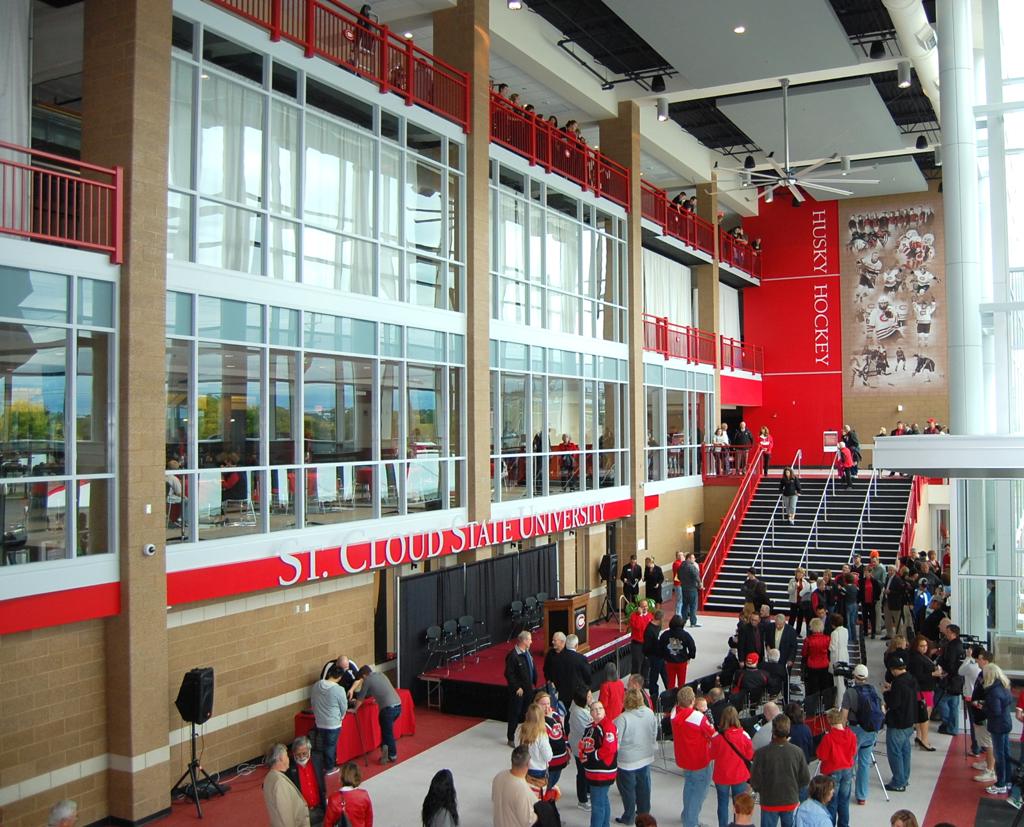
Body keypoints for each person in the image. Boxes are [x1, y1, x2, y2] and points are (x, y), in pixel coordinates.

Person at [749, 714, 810, 827]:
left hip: (769, 801)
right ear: (789, 730)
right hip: (790, 800)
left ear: (773, 730)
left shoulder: (761, 753)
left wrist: (762, 790)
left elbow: (755, 780)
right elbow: (805, 779)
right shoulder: (797, 752)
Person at [840, 664, 884, 805]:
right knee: (864, 764)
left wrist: (841, 731)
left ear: (854, 676)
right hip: (870, 731)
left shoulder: (850, 693)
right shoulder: (873, 690)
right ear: (866, 677)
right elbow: (882, 709)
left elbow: (844, 715)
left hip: (855, 731)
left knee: (849, 762)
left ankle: (845, 794)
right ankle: (862, 796)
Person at [672, 686, 715, 827]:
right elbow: (713, 733)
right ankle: (691, 822)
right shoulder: (697, 717)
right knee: (699, 792)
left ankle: (687, 816)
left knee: (689, 787)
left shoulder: (674, 713)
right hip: (700, 760)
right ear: (693, 701)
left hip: (684, 758)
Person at [614, 686, 658, 824]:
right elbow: (654, 733)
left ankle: (629, 817)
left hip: (627, 762)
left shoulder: (622, 719)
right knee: (644, 788)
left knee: (628, 791)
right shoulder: (649, 713)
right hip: (645, 757)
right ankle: (644, 815)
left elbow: (616, 742)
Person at [709, 705, 753, 827]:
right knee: (739, 805)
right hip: (739, 776)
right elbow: (749, 756)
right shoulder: (744, 735)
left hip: (721, 776)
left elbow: (711, 755)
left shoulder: (717, 737)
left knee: (722, 804)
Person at [579, 699, 619, 827]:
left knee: (597, 806)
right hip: (594, 772)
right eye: (594, 709)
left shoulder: (607, 726)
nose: (597, 711)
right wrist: (583, 753)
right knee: (602, 801)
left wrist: (592, 756)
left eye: (600, 708)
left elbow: (610, 748)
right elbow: (585, 744)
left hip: (602, 773)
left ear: (604, 710)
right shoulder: (591, 727)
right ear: (590, 712)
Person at [883, 655, 918, 792]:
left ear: (893, 670)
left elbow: (894, 703)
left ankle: (898, 782)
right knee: (905, 751)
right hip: (909, 721)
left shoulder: (898, 683)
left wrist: (886, 693)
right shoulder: (911, 679)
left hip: (898, 723)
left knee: (895, 752)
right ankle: (904, 778)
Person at [353, 664, 402, 764]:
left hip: (387, 710)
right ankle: (385, 755)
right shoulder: (381, 674)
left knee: (387, 734)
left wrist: (354, 709)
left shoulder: (367, 680)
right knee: (386, 732)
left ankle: (392, 755)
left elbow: (360, 698)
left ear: (364, 675)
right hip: (398, 706)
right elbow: (382, 690)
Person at [816, 708, 856, 827]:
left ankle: (830, 824)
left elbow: (821, 755)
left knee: (832, 802)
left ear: (830, 721)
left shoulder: (828, 738)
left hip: (832, 771)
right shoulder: (851, 735)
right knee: (844, 801)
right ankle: (844, 824)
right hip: (847, 770)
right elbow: (853, 752)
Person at [982, 661, 1014, 796]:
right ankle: (1008, 780)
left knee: (999, 755)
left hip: (998, 726)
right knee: (1006, 753)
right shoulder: (1005, 686)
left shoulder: (992, 692)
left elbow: (995, 711)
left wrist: (983, 707)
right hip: (1006, 722)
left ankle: (1000, 784)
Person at [263, 743, 311, 827]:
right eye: (287, 756)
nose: (289, 759)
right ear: (281, 758)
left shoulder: (269, 777)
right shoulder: (279, 783)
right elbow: (286, 816)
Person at [311, 665, 348, 771]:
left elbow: (313, 702)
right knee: (330, 746)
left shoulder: (316, 685)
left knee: (323, 745)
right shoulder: (339, 689)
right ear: (340, 677)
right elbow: (344, 706)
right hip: (333, 723)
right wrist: (341, 716)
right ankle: (330, 768)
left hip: (320, 722)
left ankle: (325, 766)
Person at [492, 745, 538, 827]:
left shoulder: (499, 776)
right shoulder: (523, 790)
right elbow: (528, 822)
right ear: (529, 763)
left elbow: (494, 799)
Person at [505, 631, 536, 746]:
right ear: (524, 641)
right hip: (519, 692)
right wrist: (517, 687)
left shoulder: (528, 652)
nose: (531, 641)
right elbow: (509, 674)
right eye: (530, 639)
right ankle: (510, 737)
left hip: (529, 689)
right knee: (515, 713)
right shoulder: (513, 656)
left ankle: (527, 736)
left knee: (527, 713)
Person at [907, 634, 938, 751]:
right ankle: (924, 739)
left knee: (922, 716)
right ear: (916, 646)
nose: (924, 648)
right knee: (925, 717)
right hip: (923, 690)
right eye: (921, 646)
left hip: (924, 689)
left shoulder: (921, 657)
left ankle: (920, 737)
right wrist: (933, 674)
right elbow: (918, 676)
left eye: (925, 646)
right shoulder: (917, 659)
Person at [286, 736, 325, 825]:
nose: (301, 757)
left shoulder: (318, 759)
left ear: (309, 750)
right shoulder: (289, 768)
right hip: (304, 813)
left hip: (321, 807)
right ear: (293, 753)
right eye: (298, 754)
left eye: (304, 753)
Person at [934, 623, 965, 735]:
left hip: (950, 679)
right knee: (954, 705)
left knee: (940, 700)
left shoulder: (951, 646)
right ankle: (953, 727)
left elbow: (950, 664)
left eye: (947, 632)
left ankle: (948, 723)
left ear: (952, 633)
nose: (945, 634)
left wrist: (943, 668)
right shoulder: (960, 645)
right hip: (958, 680)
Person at [515, 701, 553, 791]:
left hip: (522, 767)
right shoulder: (541, 735)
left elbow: (517, 747)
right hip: (538, 770)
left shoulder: (520, 729)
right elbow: (548, 757)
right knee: (537, 795)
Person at [323, 762, 372, 827]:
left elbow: (328, 823)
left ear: (341, 778)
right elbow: (369, 820)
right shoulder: (364, 795)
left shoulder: (334, 799)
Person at [568, 687, 593, 811]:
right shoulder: (577, 713)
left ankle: (588, 791)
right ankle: (582, 800)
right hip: (580, 747)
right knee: (582, 773)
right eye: (589, 696)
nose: (592, 698)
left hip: (585, 746)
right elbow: (586, 731)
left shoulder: (584, 708)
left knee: (587, 770)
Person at [659, 614, 697, 689]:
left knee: (670, 683)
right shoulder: (685, 635)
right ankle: (681, 695)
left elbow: (660, 646)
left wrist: (664, 656)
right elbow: (692, 647)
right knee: (681, 683)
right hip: (682, 662)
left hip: (669, 661)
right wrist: (690, 656)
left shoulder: (665, 634)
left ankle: (670, 695)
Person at [801, 618, 831, 703]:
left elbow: (804, 653)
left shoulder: (808, 640)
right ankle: (824, 704)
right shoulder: (827, 639)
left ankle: (813, 705)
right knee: (824, 686)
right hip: (824, 665)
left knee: (813, 688)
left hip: (812, 666)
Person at [643, 609, 667, 698]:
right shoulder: (649, 630)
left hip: (661, 656)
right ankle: (654, 696)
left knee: (666, 676)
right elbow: (647, 646)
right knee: (653, 678)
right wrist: (647, 655)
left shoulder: (658, 626)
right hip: (654, 657)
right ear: (660, 619)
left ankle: (670, 691)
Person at [628, 599, 653, 675]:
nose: (645, 608)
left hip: (647, 644)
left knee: (646, 664)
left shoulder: (650, 616)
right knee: (636, 664)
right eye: (643, 606)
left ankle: (645, 680)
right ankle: (635, 681)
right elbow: (640, 627)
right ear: (639, 607)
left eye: (646, 606)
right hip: (637, 644)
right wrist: (640, 615)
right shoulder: (634, 616)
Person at [679, 552, 703, 627]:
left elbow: (679, 577)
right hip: (692, 588)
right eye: (693, 558)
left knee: (685, 605)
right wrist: (700, 584)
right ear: (688, 558)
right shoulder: (691, 567)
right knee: (693, 606)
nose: (694, 559)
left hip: (684, 588)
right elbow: (696, 576)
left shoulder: (681, 567)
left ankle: (683, 621)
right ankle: (693, 622)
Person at [829, 613, 850, 695]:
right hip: (845, 655)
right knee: (843, 680)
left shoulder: (834, 633)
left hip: (837, 657)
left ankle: (839, 700)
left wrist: (828, 646)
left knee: (838, 682)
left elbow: (832, 647)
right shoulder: (846, 630)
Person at [787, 567, 809, 633]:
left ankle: (798, 632)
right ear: (796, 573)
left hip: (801, 602)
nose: (800, 574)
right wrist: (795, 587)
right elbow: (789, 591)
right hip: (794, 601)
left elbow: (806, 592)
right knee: (792, 617)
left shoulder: (805, 582)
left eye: (802, 573)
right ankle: (789, 631)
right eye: (799, 573)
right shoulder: (792, 581)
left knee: (800, 618)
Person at [671, 550, 686, 616]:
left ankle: (681, 614)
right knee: (680, 600)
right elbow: (682, 570)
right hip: (678, 584)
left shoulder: (682, 563)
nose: (681, 556)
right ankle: (678, 614)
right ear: (676, 556)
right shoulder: (676, 563)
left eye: (682, 555)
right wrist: (684, 562)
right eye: (679, 555)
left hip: (682, 584)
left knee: (682, 600)